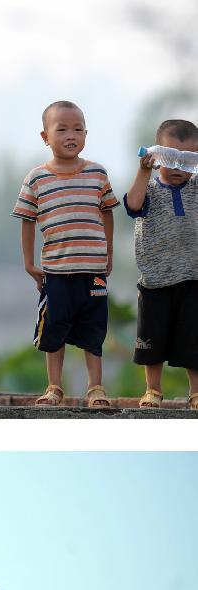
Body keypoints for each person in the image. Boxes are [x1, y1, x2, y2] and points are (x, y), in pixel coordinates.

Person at [12, 100, 119, 407]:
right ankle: (54, 387)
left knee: (94, 330)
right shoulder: (36, 178)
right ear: (46, 137)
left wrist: (108, 254)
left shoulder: (97, 174)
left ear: (86, 134)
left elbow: (108, 213)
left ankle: (95, 388)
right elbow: (27, 220)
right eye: (62, 129)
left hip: (93, 270)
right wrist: (28, 263)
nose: (71, 135)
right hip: (56, 271)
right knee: (53, 329)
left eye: (78, 129)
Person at [124, 119, 198, 409]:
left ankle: (195, 393)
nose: (179, 168)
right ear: (157, 157)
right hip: (155, 279)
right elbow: (132, 205)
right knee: (151, 341)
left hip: (194, 277)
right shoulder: (149, 189)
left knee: (194, 339)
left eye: (188, 160)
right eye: (171, 159)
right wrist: (143, 172)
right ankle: (153, 390)